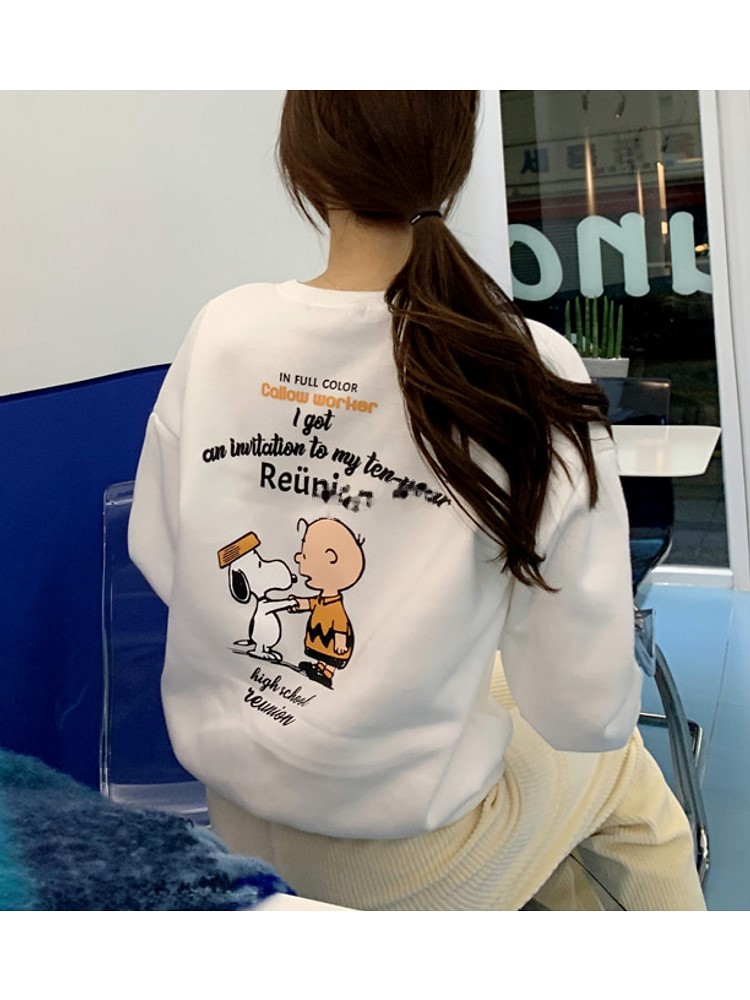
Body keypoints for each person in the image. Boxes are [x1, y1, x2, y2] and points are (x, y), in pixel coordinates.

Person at [128, 91, 706, 910]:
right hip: (409, 866)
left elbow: (161, 554)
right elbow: (584, 712)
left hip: (233, 815)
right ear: (453, 163)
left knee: (519, 752)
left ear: (301, 161)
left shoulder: (222, 330)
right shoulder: (524, 366)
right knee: (622, 780)